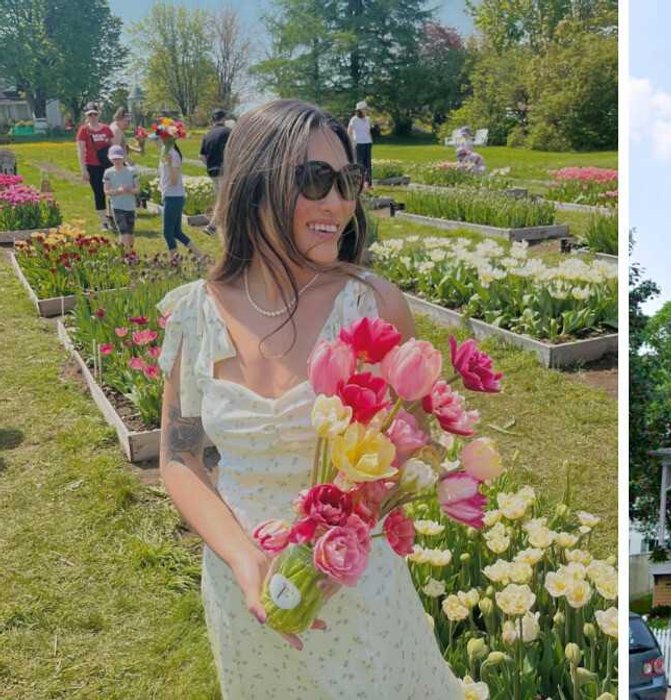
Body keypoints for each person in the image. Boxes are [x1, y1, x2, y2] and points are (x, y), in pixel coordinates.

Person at [155, 99, 460, 698]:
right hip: (245, 587)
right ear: (255, 184)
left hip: (356, 586)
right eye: (316, 180)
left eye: (348, 182)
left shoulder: (370, 306)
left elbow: (415, 443)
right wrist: (245, 560)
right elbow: (180, 457)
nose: (339, 204)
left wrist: (354, 513)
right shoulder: (195, 314)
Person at [155, 121, 203, 258]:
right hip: (170, 195)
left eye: (159, 137)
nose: (157, 140)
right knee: (176, 232)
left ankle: (175, 260)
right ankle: (199, 255)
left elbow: (174, 180)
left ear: (166, 138)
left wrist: (169, 164)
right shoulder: (165, 152)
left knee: (167, 232)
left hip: (174, 196)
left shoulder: (173, 155)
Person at [76, 103, 115, 231]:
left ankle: (113, 217)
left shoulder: (106, 129)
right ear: (86, 116)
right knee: (99, 193)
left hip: (107, 165)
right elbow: (81, 151)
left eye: (95, 114)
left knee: (112, 191)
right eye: (90, 114)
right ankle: (103, 221)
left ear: (99, 114)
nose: (93, 116)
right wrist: (83, 170)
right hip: (92, 165)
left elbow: (114, 148)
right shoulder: (84, 130)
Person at [102, 145, 139, 253]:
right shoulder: (108, 173)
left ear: (123, 158)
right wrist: (118, 191)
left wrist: (129, 190)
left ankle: (125, 251)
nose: (117, 161)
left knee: (130, 233)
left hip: (130, 206)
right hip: (117, 206)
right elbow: (106, 191)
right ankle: (127, 256)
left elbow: (137, 189)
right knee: (124, 232)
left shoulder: (132, 171)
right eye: (114, 159)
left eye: (118, 158)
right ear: (110, 159)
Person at [200, 109, 231, 234]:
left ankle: (223, 225)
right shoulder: (228, 132)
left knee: (221, 198)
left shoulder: (207, 135)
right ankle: (212, 226)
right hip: (225, 170)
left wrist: (209, 165)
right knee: (224, 199)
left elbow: (201, 156)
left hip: (212, 171)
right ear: (224, 119)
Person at [346, 101, 373, 188]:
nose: (366, 111)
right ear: (360, 110)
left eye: (366, 109)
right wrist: (350, 142)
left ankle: (368, 183)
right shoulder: (354, 119)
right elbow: (349, 131)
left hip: (367, 143)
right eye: (364, 109)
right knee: (359, 163)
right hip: (358, 143)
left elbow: (368, 131)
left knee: (368, 163)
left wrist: (371, 140)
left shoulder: (368, 119)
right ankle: (359, 183)